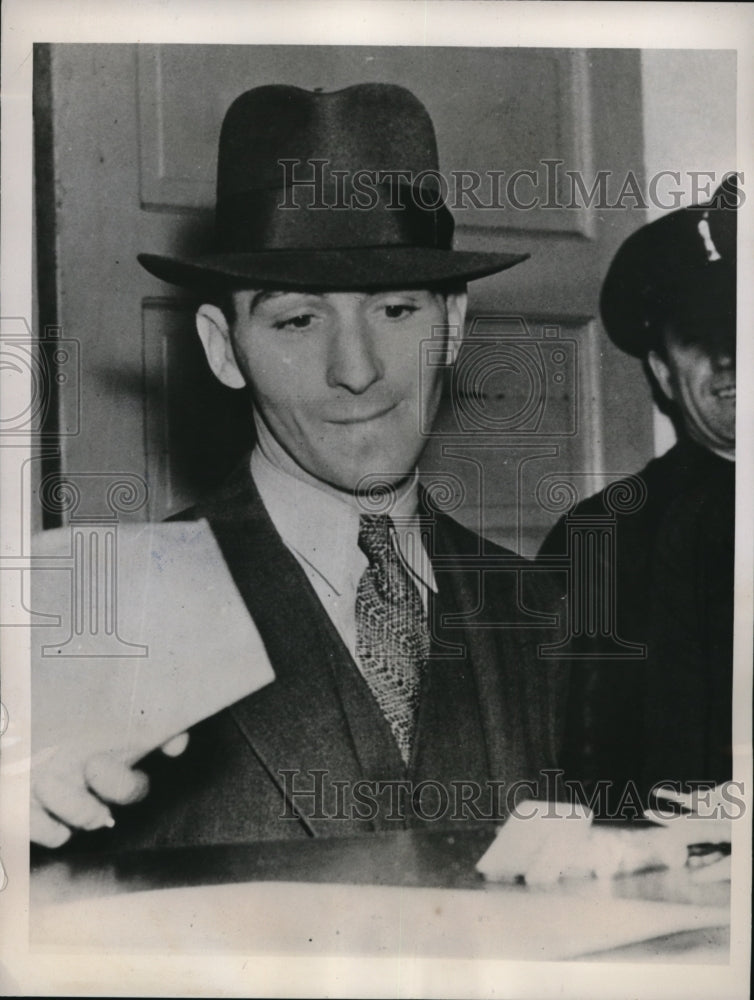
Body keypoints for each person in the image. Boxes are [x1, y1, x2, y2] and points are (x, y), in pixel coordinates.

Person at [32, 82, 567, 850]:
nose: (356, 370)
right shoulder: (108, 619)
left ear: (453, 325)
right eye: (298, 319)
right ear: (224, 347)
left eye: (395, 310)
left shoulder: (553, 611)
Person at [539, 179, 737, 814]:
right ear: (661, 371)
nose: (729, 357)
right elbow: (563, 772)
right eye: (700, 335)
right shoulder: (598, 542)